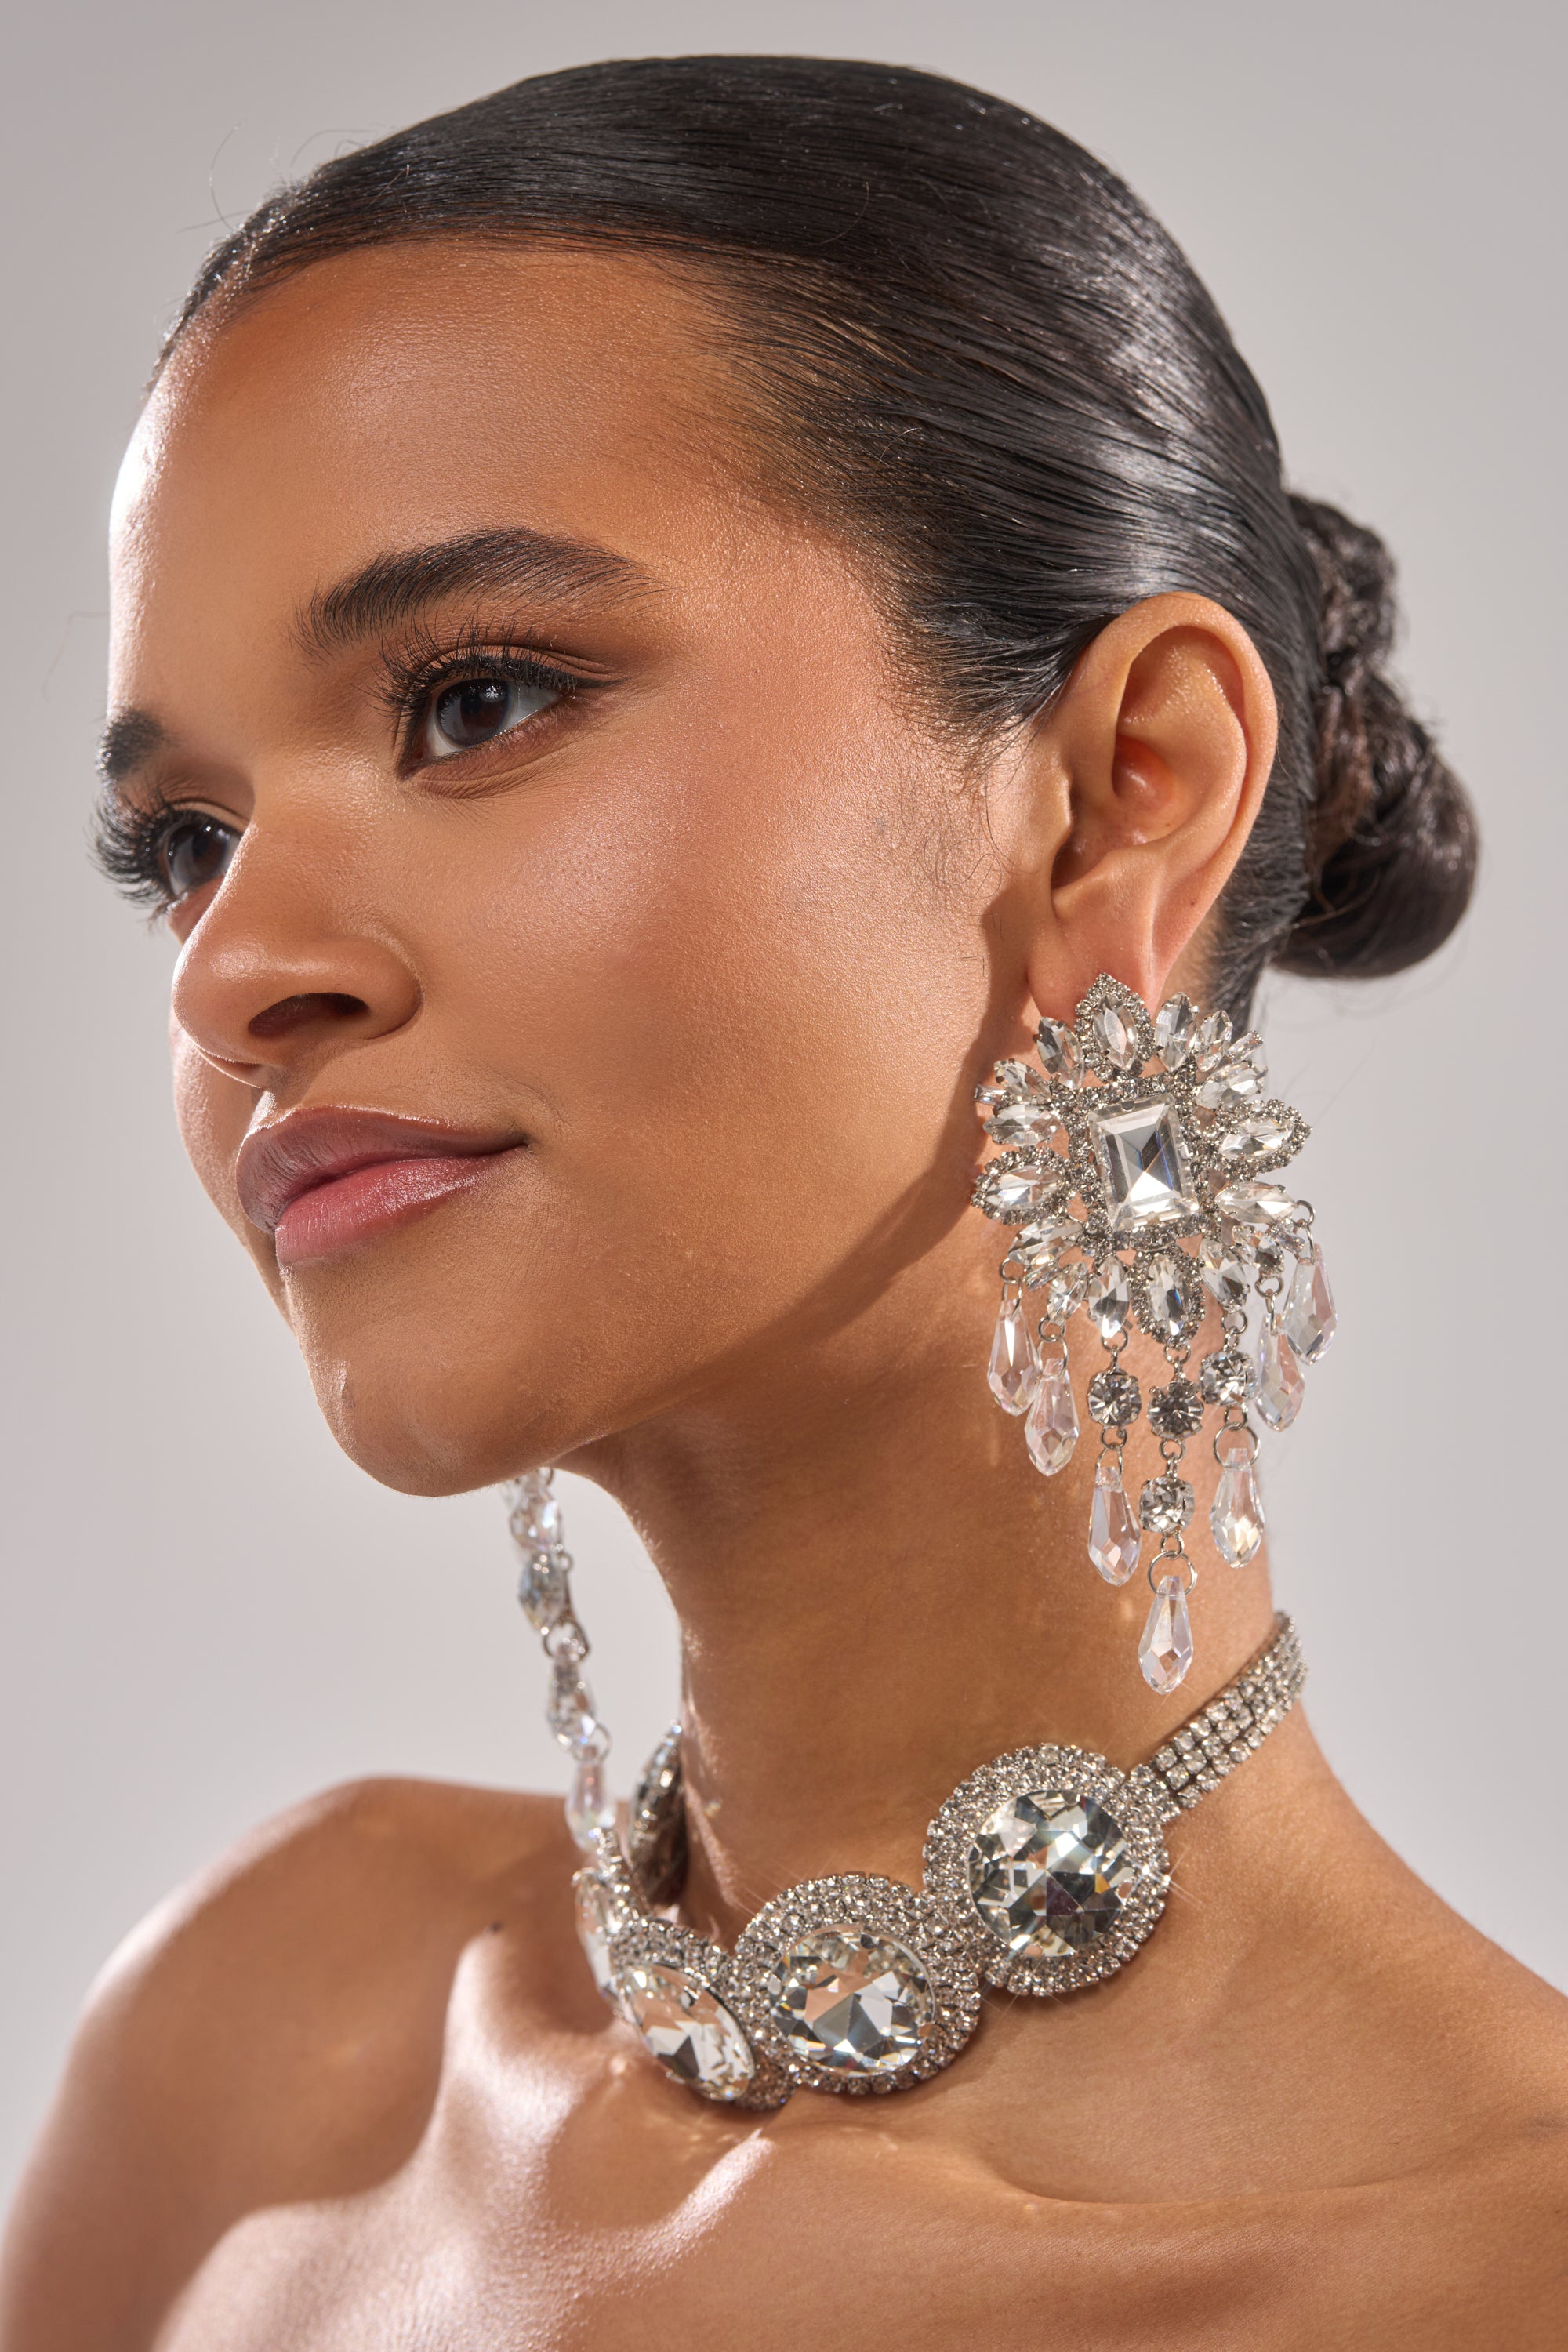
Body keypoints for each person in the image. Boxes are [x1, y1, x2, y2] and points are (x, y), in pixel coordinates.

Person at [2, 54, 1562, 2350]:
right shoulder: (270, 2056)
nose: (238, 971)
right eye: (186, 843)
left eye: (475, 700)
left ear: (1125, 799)